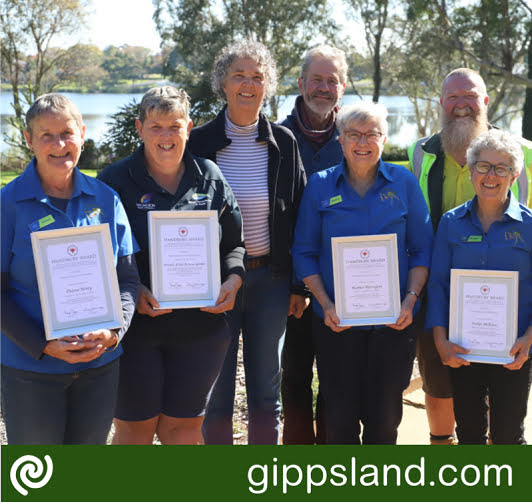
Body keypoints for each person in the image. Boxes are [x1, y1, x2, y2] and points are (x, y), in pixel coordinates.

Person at [98, 86, 245, 445]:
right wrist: (133, 293)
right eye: (156, 126)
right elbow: (99, 258)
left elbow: (234, 245)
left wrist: (234, 280)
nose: (166, 136)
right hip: (136, 332)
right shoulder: (113, 182)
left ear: (189, 127)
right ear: (139, 127)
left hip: (201, 328)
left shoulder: (209, 177)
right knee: (135, 430)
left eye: (175, 126)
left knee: (184, 430)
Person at [1, 93, 140, 445]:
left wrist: (114, 333)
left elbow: (128, 280)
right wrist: (43, 344)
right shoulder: (8, 204)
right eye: (46, 135)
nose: (59, 144)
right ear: (29, 140)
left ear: (81, 133)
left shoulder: (106, 199)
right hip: (31, 369)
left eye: (66, 133)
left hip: (99, 366)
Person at [187, 40, 307, 445]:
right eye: (239, 75)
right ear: (222, 82)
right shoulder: (197, 144)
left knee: (264, 394)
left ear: (267, 86)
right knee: (215, 394)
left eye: (257, 77)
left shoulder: (284, 144)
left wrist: (297, 286)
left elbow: (300, 217)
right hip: (214, 282)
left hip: (270, 281)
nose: (248, 84)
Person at [292, 101, 433, 444]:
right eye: (353, 134)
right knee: (339, 421)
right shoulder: (320, 186)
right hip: (336, 322)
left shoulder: (404, 183)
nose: (362, 142)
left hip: (393, 323)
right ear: (340, 140)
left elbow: (422, 249)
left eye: (372, 134)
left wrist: (410, 300)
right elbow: (304, 252)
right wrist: (325, 304)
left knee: (384, 421)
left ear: (384, 139)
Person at [408, 67, 532, 445]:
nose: (461, 106)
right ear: (442, 103)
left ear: (486, 102)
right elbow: (415, 224)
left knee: (508, 413)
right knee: (445, 389)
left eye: (470, 97)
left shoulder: (524, 152)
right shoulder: (422, 152)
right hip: (448, 305)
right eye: (452, 98)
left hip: (511, 316)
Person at [279, 44, 347, 445]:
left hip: (347, 287)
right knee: (296, 375)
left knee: (338, 376)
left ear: (343, 86)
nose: (323, 88)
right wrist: (296, 287)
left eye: (332, 81)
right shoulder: (276, 139)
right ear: (301, 83)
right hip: (291, 289)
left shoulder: (355, 140)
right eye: (316, 80)